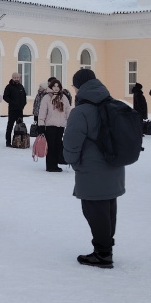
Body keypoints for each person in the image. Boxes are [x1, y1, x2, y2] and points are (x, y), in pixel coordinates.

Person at [63, 69, 123, 269]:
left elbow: (71, 143)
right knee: (107, 209)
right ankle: (106, 247)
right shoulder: (111, 104)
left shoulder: (81, 111)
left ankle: (103, 254)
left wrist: (71, 160)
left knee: (93, 210)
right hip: (114, 167)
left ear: (79, 86)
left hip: (91, 169)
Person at [37, 78, 72, 172]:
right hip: (50, 125)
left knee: (58, 145)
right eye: (54, 86)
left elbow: (68, 111)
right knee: (51, 146)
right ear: (51, 87)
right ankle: (50, 166)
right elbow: (42, 112)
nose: (56, 88)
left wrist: (70, 122)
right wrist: (41, 125)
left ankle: (56, 164)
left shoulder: (63, 97)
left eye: (58, 86)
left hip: (61, 125)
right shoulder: (46, 97)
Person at [2, 72, 27, 147]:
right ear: (12, 78)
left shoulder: (21, 87)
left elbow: (24, 97)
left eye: (17, 77)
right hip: (12, 110)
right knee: (10, 125)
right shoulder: (9, 87)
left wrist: (23, 104)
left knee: (20, 126)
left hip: (20, 110)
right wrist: (13, 103)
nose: (16, 79)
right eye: (15, 78)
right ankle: (8, 141)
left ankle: (19, 140)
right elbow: (5, 97)